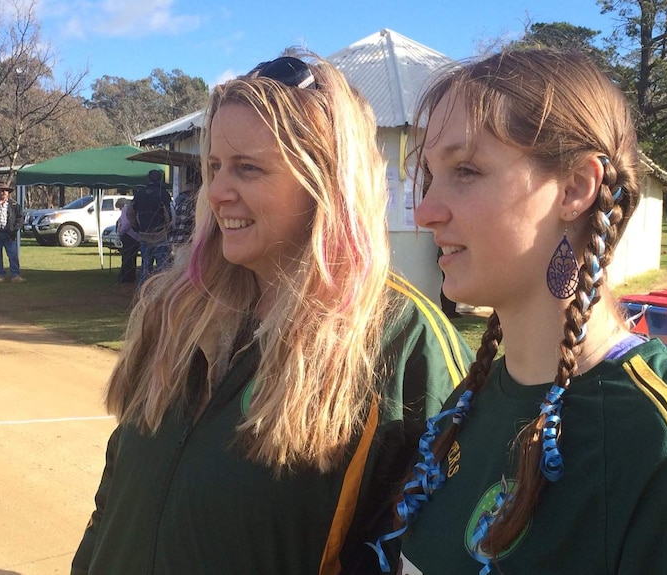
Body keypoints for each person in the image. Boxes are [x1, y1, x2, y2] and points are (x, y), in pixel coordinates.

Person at [373, 49, 667, 575]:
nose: (425, 211)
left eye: (466, 170)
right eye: (430, 175)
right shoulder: (468, 404)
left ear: (576, 189)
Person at [71, 54, 474, 575]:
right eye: (214, 167)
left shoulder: (403, 343)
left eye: (248, 168)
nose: (216, 192)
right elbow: (116, 497)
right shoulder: (172, 309)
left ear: (324, 179)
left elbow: (434, 551)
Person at [131, 168, 172, 283]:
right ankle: (160, 290)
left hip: (144, 233)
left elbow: (130, 212)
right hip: (160, 234)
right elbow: (169, 213)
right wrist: (169, 229)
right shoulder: (162, 193)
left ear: (148, 179)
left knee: (145, 265)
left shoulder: (140, 193)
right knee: (162, 265)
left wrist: (136, 227)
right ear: (160, 179)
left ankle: (143, 291)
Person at [167, 177, 199, 256]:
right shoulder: (189, 202)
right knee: (184, 265)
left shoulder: (176, 202)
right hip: (185, 240)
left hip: (175, 239)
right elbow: (189, 220)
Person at [115, 197, 139, 284]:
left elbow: (126, 223)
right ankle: (132, 276)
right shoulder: (132, 209)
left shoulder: (125, 210)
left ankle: (125, 277)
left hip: (128, 236)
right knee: (133, 258)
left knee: (126, 258)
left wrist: (121, 232)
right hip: (136, 237)